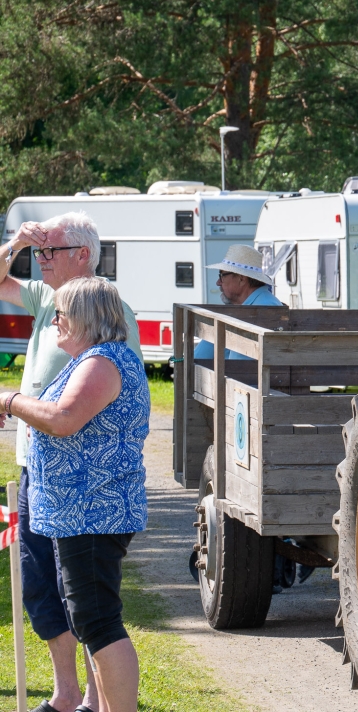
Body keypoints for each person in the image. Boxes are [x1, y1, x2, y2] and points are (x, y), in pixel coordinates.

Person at [0, 212, 141, 712]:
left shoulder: (103, 348)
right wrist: (16, 240)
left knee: (96, 617)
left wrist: (12, 401)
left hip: (89, 504)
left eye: (47, 252)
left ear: (82, 255)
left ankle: (97, 702)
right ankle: (76, 697)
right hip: (61, 495)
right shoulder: (62, 310)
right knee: (53, 593)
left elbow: (65, 419)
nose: (38, 262)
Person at [194, 244, 285, 360]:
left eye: (222, 275)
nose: (218, 282)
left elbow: (243, 368)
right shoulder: (256, 305)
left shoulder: (263, 309)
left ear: (241, 279)